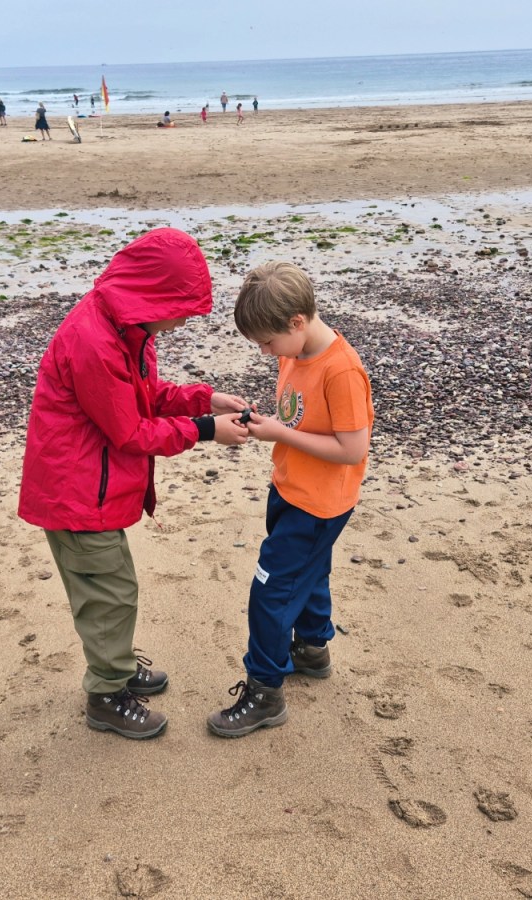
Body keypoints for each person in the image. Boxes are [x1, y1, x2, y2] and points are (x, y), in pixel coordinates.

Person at [18, 228, 252, 740]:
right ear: (152, 297)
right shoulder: (95, 341)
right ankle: (106, 694)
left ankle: (117, 666)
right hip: (76, 493)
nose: (182, 322)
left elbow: (144, 394)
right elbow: (131, 432)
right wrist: (205, 430)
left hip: (90, 487)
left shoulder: (124, 326)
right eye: (180, 311)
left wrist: (204, 399)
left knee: (112, 584)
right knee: (109, 595)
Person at [206, 261, 374, 738]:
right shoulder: (294, 352)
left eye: (266, 342)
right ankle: (313, 649)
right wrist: (268, 425)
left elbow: (353, 449)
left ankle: (265, 693)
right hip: (289, 487)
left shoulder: (341, 370)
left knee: (271, 591)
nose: (264, 352)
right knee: (309, 572)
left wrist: (279, 433)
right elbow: (299, 419)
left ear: (297, 322)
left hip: (319, 504)